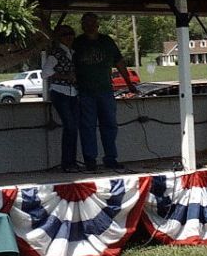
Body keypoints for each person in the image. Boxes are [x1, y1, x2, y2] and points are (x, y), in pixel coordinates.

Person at [73, 12, 137, 171]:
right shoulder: (77, 43)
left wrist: (129, 82)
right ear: (82, 25)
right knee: (87, 126)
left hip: (105, 90)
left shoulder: (107, 41)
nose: (89, 26)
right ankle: (90, 160)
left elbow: (119, 62)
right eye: (86, 23)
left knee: (109, 125)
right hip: (85, 91)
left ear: (97, 25)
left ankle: (110, 158)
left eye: (92, 23)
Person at [42, 24, 80, 173]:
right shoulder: (55, 54)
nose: (69, 37)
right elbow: (45, 73)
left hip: (73, 93)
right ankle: (67, 163)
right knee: (70, 126)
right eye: (65, 34)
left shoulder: (73, 53)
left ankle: (72, 161)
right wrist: (65, 77)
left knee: (73, 127)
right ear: (59, 37)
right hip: (59, 92)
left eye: (71, 34)